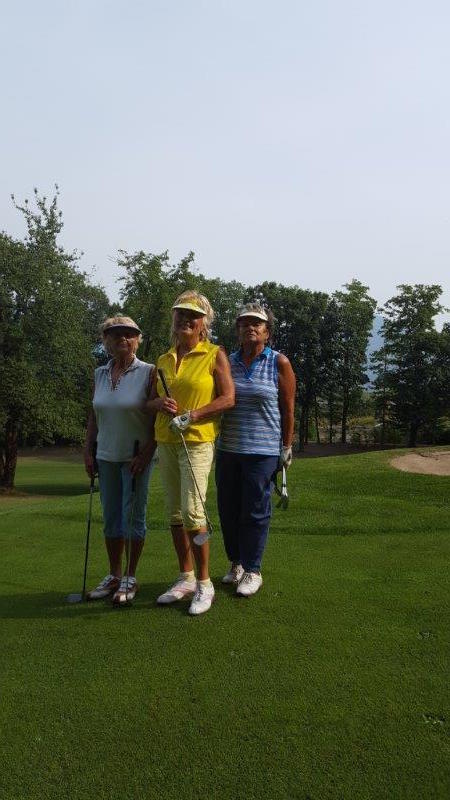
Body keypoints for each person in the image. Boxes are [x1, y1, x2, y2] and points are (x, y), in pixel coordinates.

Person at [147, 291, 234, 615]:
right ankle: (185, 577)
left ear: (203, 323)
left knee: (193, 513)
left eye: (193, 316)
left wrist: (192, 415)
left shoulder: (214, 354)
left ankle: (204, 583)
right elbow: (148, 402)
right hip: (166, 440)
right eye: (180, 314)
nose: (185, 319)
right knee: (174, 514)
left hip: (196, 441)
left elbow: (228, 398)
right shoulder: (163, 359)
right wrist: (159, 403)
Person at [215, 302, 296, 596]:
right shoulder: (227, 362)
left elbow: (288, 409)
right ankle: (236, 563)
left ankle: (252, 570)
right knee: (228, 510)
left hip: (262, 452)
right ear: (237, 331)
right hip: (228, 449)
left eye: (256, 324)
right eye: (244, 323)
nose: (250, 327)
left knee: (255, 511)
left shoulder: (279, 362)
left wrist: (286, 446)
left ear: (267, 332)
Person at [84, 316, 156, 604]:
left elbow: (158, 419)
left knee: (133, 518)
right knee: (111, 518)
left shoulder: (149, 372)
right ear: (106, 341)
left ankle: (129, 576)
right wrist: (88, 450)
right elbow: (94, 416)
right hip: (105, 456)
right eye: (115, 335)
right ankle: (114, 574)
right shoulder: (100, 373)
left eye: (129, 334)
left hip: (135, 457)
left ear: (137, 339)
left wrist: (147, 453)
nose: (122, 339)